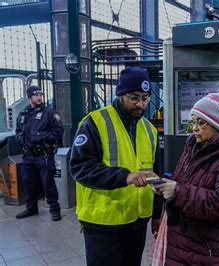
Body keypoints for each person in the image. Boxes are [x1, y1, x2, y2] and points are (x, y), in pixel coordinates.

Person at [69, 67, 162, 266]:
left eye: (145, 98)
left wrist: (156, 213)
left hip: (137, 220)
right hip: (103, 222)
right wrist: (125, 176)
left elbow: (155, 175)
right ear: (120, 94)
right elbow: (80, 168)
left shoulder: (149, 129)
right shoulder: (94, 122)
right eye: (134, 97)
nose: (140, 104)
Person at [154, 93, 219, 265]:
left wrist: (177, 192)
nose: (194, 128)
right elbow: (184, 182)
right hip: (183, 243)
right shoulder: (193, 147)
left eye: (201, 123)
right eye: (193, 122)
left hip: (208, 251)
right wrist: (164, 187)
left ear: (218, 124)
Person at [15, 85, 63, 221]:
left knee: (48, 184)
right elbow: (18, 130)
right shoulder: (24, 113)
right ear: (30, 97)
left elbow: (59, 131)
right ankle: (32, 209)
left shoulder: (49, 113)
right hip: (28, 156)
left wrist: (42, 137)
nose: (39, 97)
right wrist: (19, 137)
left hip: (44, 155)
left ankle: (55, 209)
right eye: (36, 95)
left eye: (40, 95)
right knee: (28, 183)